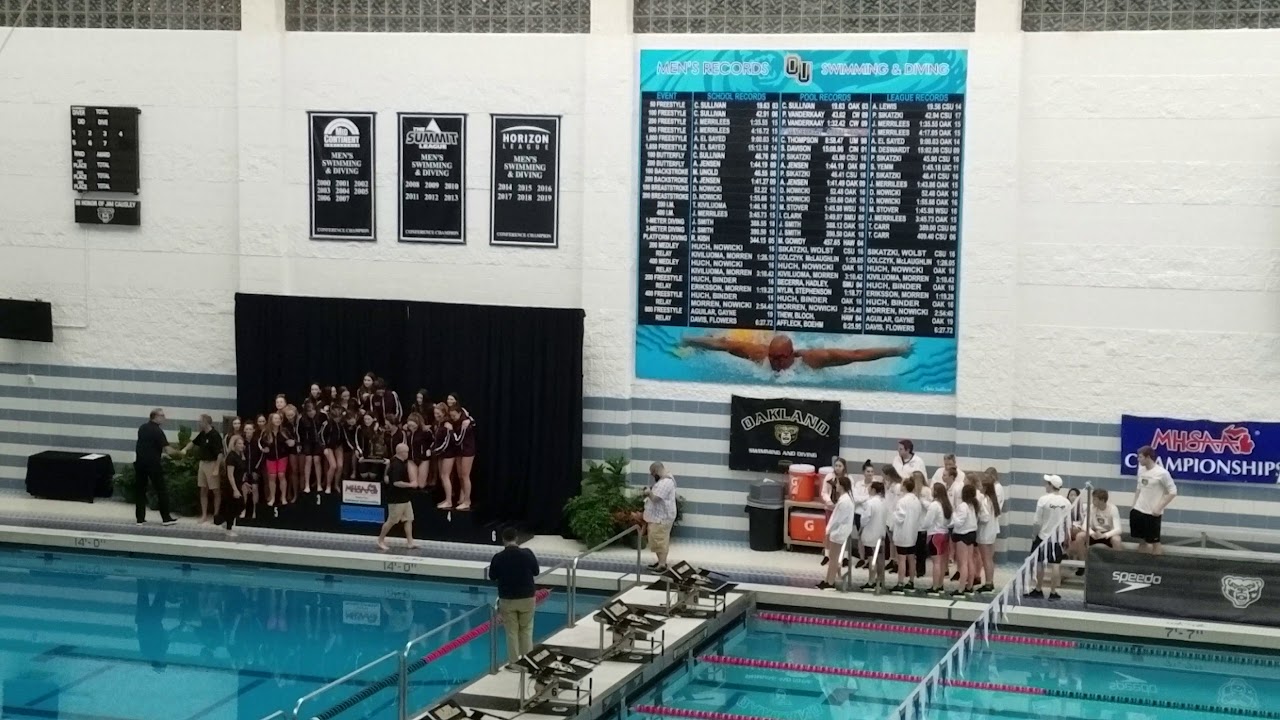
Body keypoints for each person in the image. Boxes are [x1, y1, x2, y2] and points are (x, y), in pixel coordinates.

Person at [681, 333, 912, 372]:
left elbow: (856, 354)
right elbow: (723, 344)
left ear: (792, 355)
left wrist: (898, 350)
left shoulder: (813, 360)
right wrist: (690, 340)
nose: (775, 364)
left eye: (780, 358)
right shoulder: (760, 355)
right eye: (772, 358)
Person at [488, 526, 540, 666]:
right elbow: (536, 572)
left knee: (511, 632)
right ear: (517, 538)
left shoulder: (498, 557)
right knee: (527, 630)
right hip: (527, 598)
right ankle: (528, 662)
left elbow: (492, 576)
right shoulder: (527, 554)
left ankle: (514, 663)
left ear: (503, 540)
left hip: (508, 599)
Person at [1027, 474, 1072, 600]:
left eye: (1047, 483)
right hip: (1058, 538)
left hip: (1043, 536)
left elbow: (1037, 521)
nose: (1045, 485)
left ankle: (1038, 589)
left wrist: (1034, 535)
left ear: (1051, 486)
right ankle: (1053, 591)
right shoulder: (1066, 502)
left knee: (1040, 563)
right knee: (1056, 564)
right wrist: (1067, 538)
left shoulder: (1043, 500)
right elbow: (1068, 523)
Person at [134, 409, 179, 526]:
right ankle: (166, 518)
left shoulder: (142, 428)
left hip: (140, 463)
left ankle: (140, 518)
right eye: (162, 416)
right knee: (161, 490)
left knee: (140, 490)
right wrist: (179, 453)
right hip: (153, 464)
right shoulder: (157, 431)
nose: (164, 418)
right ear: (155, 417)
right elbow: (168, 450)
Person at [1131, 445, 1178, 555]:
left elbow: (1173, 491)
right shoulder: (1141, 469)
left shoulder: (1162, 473)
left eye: (1140, 457)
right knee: (1141, 540)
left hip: (1152, 513)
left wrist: (1159, 507)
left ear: (1148, 458)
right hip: (1139, 509)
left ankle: (1156, 567)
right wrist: (1134, 504)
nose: (1138, 459)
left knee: (1154, 542)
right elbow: (1139, 487)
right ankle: (1141, 565)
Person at [180, 414, 223, 524]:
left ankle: (216, 515)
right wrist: (185, 449)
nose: (198, 423)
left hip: (212, 463)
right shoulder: (202, 434)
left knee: (215, 490)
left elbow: (220, 453)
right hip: (202, 464)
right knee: (203, 489)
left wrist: (217, 468)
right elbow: (193, 442)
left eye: (200, 421)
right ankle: (204, 515)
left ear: (206, 422)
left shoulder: (215, 435)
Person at [376, 443, 417, 551]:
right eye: (407, 452)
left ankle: (410, 542)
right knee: (391, 521)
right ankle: (380, 540)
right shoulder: (397, 465)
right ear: (401, 453)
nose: (408, 454)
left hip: (405, 497)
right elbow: (396, 483)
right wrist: (410, 485)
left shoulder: (395, 460)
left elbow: (387, 475)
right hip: (396, 499)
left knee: (408, 519)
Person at [818, 477, 855, 590]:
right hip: (838, 531)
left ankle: (830, 582)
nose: (836, 486)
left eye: (837, 484)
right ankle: (827, 580)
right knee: (832, 557)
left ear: (842, 486)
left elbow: (837, 519)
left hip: (839, 532)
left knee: (833, 558)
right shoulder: (845, 499)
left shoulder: (845, 501)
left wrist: (828, 530)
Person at [643, 461, 678, 573]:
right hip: (658, 517)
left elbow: (656, 498)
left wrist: (648, 492)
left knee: (660, 540)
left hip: (661, 518)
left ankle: (662, 565)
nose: (653, 476)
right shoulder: (664, 481)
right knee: (657, 540)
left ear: (657, 471)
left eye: (653, 474)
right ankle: (660, 562)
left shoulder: (666, 482)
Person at [891, 476, 923, 593]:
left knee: (901, 560)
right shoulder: (916, 500)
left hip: (903, 535)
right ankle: (911, 581)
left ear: (904, 486)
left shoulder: (902, 501)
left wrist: (893, 513)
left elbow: (899, 518)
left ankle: (900, 583)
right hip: (913, 534)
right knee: (911, 558)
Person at [1071, 488, 1123, 560]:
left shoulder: (1113, 509)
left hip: (1107, 534)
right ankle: (1083, 563)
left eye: (1095, 499)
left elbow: (1118, 529)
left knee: (1117, 540)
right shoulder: (1091, 507)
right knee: (1080, 536)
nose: (1092, 501)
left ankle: (1117, 564)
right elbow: (1084, 525)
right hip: (1095, 533)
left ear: (1102, 500)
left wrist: (1104, 535)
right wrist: (1092, 533)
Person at [922, 482, 952, 596]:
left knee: (936, 563)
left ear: (935, 492)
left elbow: (927, 521)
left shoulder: (934, 505)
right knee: (943, 562)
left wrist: (922, 526)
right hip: (944, 534)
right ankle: (940, 585)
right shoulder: (946, 504)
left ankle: (934, 587)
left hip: (935, 535)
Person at [819, 457, 850, 566]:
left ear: (844, 467)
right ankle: (827, 555)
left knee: (843, 532)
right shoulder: (829, 477)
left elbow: (851, 493)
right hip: (830, 508)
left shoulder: (848, 478)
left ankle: (844, 556)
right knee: (829, 531)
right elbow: (824, 492)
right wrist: (829, 502)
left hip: (842, 509)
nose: (837, 468)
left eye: (840, 466)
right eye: (836, 465)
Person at [950, 485, 980, 597]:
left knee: (963, 563)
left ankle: (961, 589)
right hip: (972, 534)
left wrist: (953, 514)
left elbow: (958, 523)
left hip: (963, 535)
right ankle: (969, 586)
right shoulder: (973, 505)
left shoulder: (963, 506)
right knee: (970, 561)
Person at [858, 480, 887, 591]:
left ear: (874, 490)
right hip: (880, 533)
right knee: (879, 558)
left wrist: (861, 529)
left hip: (870, 534)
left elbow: (865, 519)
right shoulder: (884, 502)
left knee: (871, 559)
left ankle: (871, 581)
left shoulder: (870, 503)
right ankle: (880, 579)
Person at [976, 476, 1001, 592]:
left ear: (985, 488)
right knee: (989, 559)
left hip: (985, 533)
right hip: (992, 533)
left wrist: (976, 516)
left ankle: (988, 583)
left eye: (980, 486)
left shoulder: (985, 500)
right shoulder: (993, 500)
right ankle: (990, 581)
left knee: (986, 559)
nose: (979, 488)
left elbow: (984, 517)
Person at [449, 407, 475, 510]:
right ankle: (462, 496)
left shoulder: (464, 423)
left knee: (465, 475)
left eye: (454, 415)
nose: (453, 418)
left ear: (460, 413)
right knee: (460, 475)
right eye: (451, 416)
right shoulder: (455, 422)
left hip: (467, 451)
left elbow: (458, 440)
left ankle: (467, 501)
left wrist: (451, 431)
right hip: (459, 451)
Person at [222, 435, 246, 538]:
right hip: (232, 485)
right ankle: (228, 528)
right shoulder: (231, 457)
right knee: (234, 506)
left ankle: (225, 521)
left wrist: (244, 483)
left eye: (242, 443)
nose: (242, 446)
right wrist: (235, 489)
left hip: (238, 483)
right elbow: (230, 474)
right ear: (234, 445)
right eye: (239, 444)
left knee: (239, 506)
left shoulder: (239, 455)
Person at [433, 404, 456, 508]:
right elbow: (437, 440)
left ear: (443, 413)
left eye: (438, 413)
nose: (436, 415)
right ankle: (447, 498)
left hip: (448, 454)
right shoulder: (439, 423)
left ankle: (449, 501)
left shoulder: (447, 424)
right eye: (435, 413)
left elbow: (447, 442)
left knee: (445, 476)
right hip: (441, 453)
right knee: (442, 476)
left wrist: (436, 450)